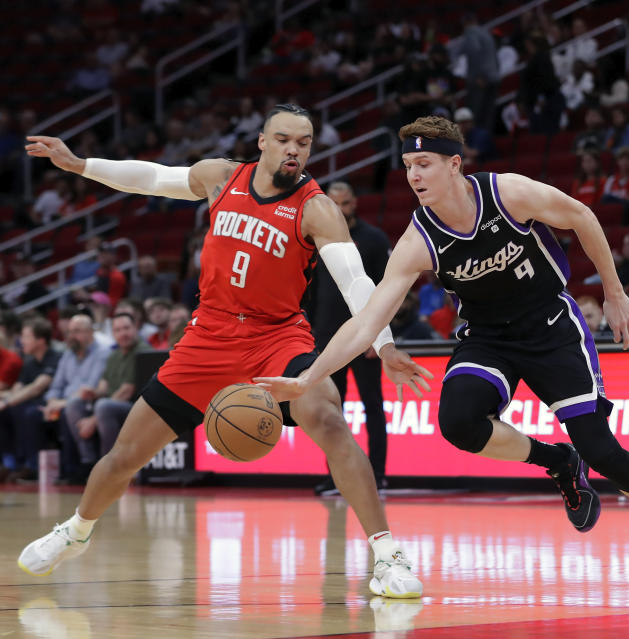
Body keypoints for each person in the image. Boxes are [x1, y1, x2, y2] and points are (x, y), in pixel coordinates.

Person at [256, 115, 629, 590]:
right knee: (458, 422)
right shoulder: (418, 239)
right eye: (408, 165)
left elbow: (581, 215)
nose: (414, 176)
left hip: (550, 326)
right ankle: (557, 462)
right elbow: (367, 320)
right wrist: (310, 377)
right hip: (487, 337)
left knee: (602, 451)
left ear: (454, 164)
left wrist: (615, 292)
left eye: (425, 164)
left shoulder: (507, 193)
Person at [19, 104, 426, 599]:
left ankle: (387, 557)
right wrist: (82, 165)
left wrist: (383, 346)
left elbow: (356, 283)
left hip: (276, 338)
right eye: (283, 139)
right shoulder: (221, 177)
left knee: (330, 420)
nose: (294, 149)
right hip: (208, 337)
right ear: (262, 141)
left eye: (304, 142)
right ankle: (76, 531)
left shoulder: (316, 208)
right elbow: (152, 177)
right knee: (125, 454)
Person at [308, 181, 392, 495]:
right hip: (327, 339)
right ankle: (336, 479)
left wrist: (379, 335)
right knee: (331, 411)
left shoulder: (373, 239)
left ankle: (379, 476)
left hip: (364, 336)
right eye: (335, 204)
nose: (341, 210)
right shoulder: (318, 239)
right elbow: (311, 293)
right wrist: (311, 336)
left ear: (354, 203)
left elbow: (388, 290)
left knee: (373, 406)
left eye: (345, 203)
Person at [62, 313, 150, 473]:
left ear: (135, 328)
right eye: (117, 330)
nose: (123, 333)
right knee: (74, 404)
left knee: (103, 407)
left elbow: (126, 392)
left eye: (126, 328)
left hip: (138, 408)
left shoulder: (142, 351)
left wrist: (93, 420)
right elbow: (104, 386)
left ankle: (109, 468)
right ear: (113, 334)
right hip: (113, 406)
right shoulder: (115, 354)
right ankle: (88, 461)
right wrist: (92, 393)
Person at [42, 313, 111, 483]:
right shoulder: (68, 355)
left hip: (86, 404)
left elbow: (90, 390)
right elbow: (55, 387)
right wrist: (51, 402)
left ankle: (86, 462)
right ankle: (36, 469)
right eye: (70, 332)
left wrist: (61, 403)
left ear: (90, 332)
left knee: (71, 407)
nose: (72, 336)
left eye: (77, 331)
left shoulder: (102, 353)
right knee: (30, 414)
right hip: (62, 404)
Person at [0, 317, 60, 483]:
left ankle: (32, 465)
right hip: (29, 406)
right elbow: (17, 389)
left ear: (40, 340)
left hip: (52, 408)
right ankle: (11, 463)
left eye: (26, 336)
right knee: (7, 413)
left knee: (26, 412)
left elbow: (37, 387)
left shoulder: (54, 357)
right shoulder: (28, 362)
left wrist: (6, 401)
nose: (21, 340)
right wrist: (6, 399)